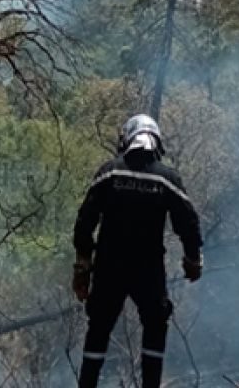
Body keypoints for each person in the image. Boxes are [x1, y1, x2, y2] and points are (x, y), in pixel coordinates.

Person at [72, 114, 203, 388]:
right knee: (155, 325)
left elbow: (85, 221)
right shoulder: (167, 179)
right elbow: (188, 223)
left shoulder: (110, 172)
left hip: (109, 268)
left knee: (98, 328)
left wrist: (82, 265)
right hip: (148, 270)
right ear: (157, 143)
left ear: (127, 139)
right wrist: (192, 259)